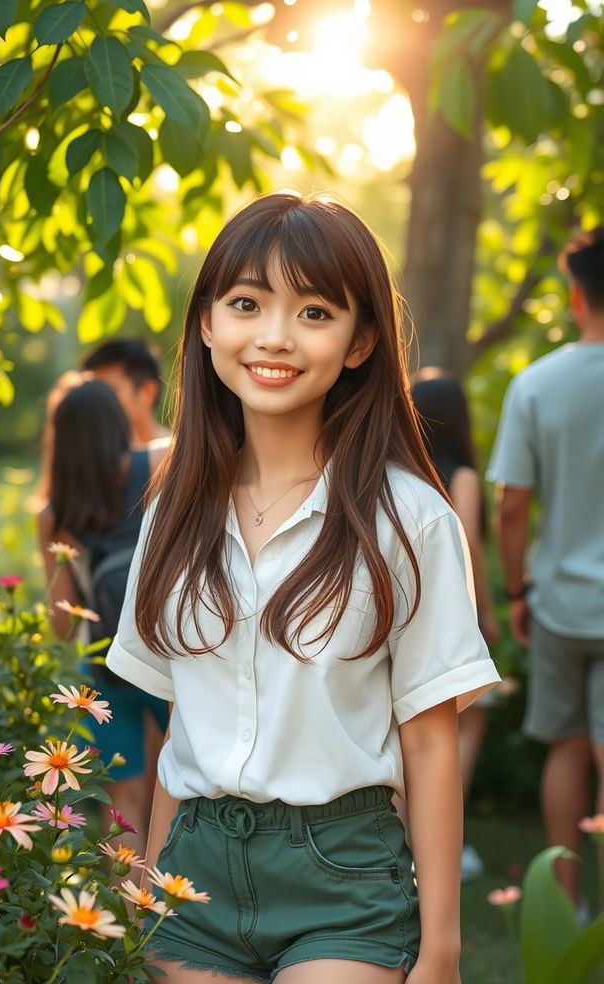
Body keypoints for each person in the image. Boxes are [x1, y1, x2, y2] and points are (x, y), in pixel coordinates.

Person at [107, 192, 500, 984]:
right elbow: (176, 727)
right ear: (209, 323)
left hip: (343, 877)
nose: (275, 337)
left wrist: (444, 950)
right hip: (194, 875)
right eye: (247, 303)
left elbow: (430, 742)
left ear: (360, 343)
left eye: (315, 311)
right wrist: (145, 905)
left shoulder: (410, 520)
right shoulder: (171, 513)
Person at [487, 226, 604, 908]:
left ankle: (566, 901)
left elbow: (511, 506)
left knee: (565, 746)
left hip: (558, 597)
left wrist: (516, 591)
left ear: (574, 294)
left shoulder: (537, 384)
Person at [37, 378, 170, 859]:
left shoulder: (55, 514)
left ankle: (134, 924)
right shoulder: (159, 461)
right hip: (168, 656)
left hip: (107, 670)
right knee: (184, 792)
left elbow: (65, 626)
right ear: (117, 422)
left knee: (127, 806)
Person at [411, 369, 500, 882]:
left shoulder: (402, 470)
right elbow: (469, 547)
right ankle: (448, 841)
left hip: (407, 608)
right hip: (453, 613)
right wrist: (486, 612)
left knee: (414, 730)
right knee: (465, 724)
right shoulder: (461, 476)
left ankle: (407, 837)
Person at [80, 337, 170, 447]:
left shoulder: (183, 458)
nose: (96, 401)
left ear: (147, 392)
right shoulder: (87, 457)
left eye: (108, 391)